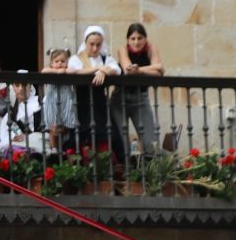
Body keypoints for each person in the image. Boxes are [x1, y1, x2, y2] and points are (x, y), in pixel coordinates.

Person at [113, 21, 164, 163]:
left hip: (140, 98)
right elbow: (128, 70)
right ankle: (125, 177)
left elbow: (159, 74)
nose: (136, 42)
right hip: (120, 98)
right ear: (128, 40)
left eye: (140, 38)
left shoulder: (151, 48)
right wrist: (154, 68)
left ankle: (149, 178)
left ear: (145, 38)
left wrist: (140, 70)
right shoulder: (123, 49)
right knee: (122, 143)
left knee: (150, 143)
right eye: (133, 39)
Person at [67, 26, 119, 158]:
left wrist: (103, 71)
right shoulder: (76, 58)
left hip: (99, 106)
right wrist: (98, 68)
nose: (95, 48)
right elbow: (73, 71)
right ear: (85, 42)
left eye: (98, 44)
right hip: (81, 105)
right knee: (81, 140)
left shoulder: (104, 58)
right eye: (92, 44)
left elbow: (116, 68)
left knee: (103, 138)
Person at [37, 46, 79, 153]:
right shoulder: (49, 70)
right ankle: (54, 149)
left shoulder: (68, 70)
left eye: (62, 61)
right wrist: (55, 72)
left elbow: (74, 71)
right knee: (53, 127)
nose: (59, 63)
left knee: (64, 128)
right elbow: (43, 71)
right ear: (51, 63)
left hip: (66, 103)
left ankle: (65, 149)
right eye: (56, 61)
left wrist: (64, 70)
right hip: (52, 103)